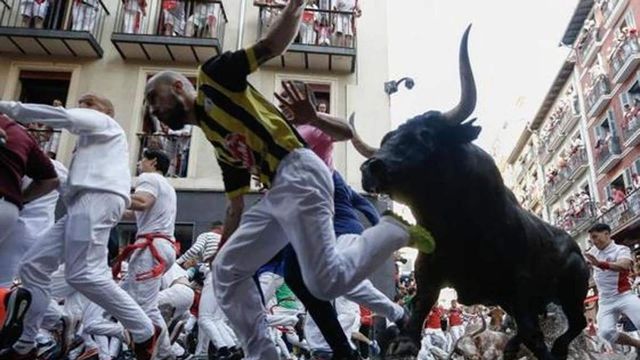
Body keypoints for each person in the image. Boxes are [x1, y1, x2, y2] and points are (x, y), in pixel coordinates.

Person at [143, 0, 432, 356]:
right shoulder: (217, 138)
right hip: (278, 192)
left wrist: (295, 5)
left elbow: (270, 46)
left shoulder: (213, 78)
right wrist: (221, 254)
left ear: (177, 86)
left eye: (152, 98)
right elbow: (235, 203)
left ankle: (393, 230)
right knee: (228, 270)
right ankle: (263, 353)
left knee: (324, 283)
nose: (152, 110)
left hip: (301, 173)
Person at [0, 95, 160, 360]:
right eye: (82, 104)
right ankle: (27, 342)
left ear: (106, 112)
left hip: (94, 200)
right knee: (33, 266)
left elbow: (65, 118)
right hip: (83, 206)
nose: (83, 108)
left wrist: (7, 108)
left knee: (84, 273)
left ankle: (144, 330)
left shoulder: (105, 123)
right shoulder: (92, 146)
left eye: (89, 105)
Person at [112, 148, 179, 359]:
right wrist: (111, 210)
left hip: (151, 248)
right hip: (161, 247)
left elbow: (142, 202)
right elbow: (135, 212)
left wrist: (112, 196)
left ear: (153, 162)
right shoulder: (168, 187)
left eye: (143, 159)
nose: (140, 163)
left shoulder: (148, 178)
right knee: (121, 296)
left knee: (144, 307)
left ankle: (167, 354)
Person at [585, 223, 640, 358]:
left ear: (607, 234)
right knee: (605, 333)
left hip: (624, 296)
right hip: (605, 301)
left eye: (596, 237)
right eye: (591, 239)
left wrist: (600, 264)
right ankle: (638, 344)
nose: (594, 241)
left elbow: (624, 265)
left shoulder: (621, 249)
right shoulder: (592, 252)